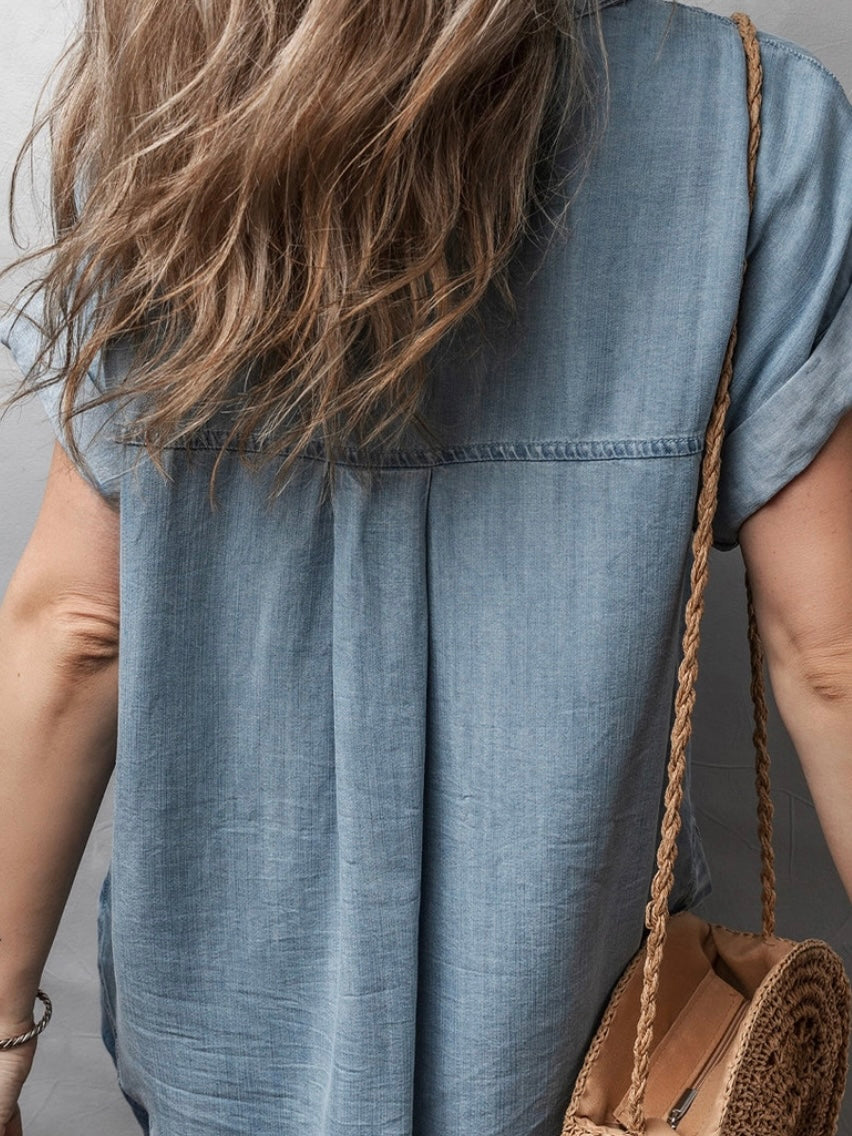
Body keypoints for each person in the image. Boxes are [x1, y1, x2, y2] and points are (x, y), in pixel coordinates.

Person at [0, 0, 850, 1132]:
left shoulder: (165, 111)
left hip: (223, 1051)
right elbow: (831, 655)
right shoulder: (752, 117)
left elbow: (75, 627)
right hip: (593, 1065)